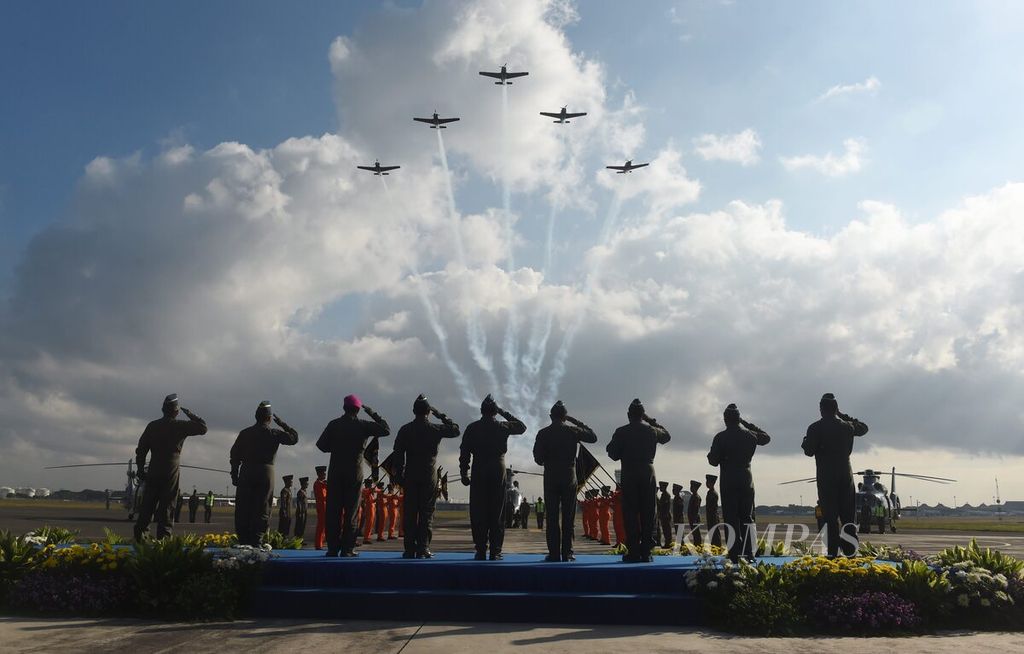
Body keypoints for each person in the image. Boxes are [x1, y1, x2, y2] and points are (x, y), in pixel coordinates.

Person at [316, 394, 390, 557]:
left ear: (344, 408)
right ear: (358, 410)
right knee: (352, 510)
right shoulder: (363, 425)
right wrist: (373, 413)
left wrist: (335, 448)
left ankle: (333, 548)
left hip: (336, 471)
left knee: (333, 510)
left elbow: (321, 445)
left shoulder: (334, 424)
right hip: (354, 472)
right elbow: (386, 429)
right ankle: (348, 549)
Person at [459, 394, 527, 560]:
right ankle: (495, 550)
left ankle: (481, 549)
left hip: (479, 469)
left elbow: (464, 453)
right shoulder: (502, 426)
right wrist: (503, 412)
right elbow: (521, 427)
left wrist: (463, 473)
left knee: (478, 511)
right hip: (498, 469)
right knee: (498, 512)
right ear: (495, 411)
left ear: (481, 411)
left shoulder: (472, 428)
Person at [802, 393, 869, 557]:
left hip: (826, 475)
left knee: (830, 517)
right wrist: (842, 415)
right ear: (836, 409)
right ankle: (850, 552)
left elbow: (808, 451)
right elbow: (863, 427)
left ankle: (832, 552)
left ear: (821, 409)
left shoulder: (815, 428)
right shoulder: (847, 426)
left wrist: (806, 440)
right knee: (848, 517)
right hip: (845, 474)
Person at [133, 394, 208, 541]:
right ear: (176, 411)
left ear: (162, 409)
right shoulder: (180, 425)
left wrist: (141, 469)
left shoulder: (152, 426)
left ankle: (141, 539)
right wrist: (190, 413)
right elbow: (203, 427)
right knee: (167, 507)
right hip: (171, 470)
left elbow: (141, 450)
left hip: (154, 468)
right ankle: (164, 541)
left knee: (147, 505)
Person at [393, 395, 460, 558]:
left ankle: (409, 549)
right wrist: (440, 415)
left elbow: (398, 454)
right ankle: (423, 548)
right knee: (426, 514)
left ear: (413, 411)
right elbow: (455, 430)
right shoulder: (434, 429)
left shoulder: (405, 429)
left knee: (410, 514)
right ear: (428, 412)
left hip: (410, 474)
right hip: (428, 475)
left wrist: (399, 475)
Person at [606, 398, 671, 563]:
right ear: (643, 414)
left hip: (629, 472)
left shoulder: (621, 431)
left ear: (628, 415)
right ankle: (647, 551)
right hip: (648, 472)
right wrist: (649, 420)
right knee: (649, 513)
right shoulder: (651, 430)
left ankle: (633, 550)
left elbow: (612, 454)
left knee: (630, 513)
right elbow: (667, 436)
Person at [532, 401, 598, 561]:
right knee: (568, 518)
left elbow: (538, 459)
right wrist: (574, 421)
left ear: (550, 416)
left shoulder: (543, 433)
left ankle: (554, 553)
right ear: (564, 417)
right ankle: (567, 553)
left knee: (552, 518)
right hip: (569, 477)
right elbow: (593, 437)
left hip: (551, 477)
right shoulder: (572, 431)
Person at [229, 401, 299, 546]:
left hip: (247, 472)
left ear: (256, 416)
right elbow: (294, 438)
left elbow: (234, 455)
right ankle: (257, 540)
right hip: (266, 473)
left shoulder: (245, 433)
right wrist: (282, 424)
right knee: (262, 507)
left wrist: (234, 475)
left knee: (243, 507)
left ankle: (243, 540)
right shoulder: (274, 433)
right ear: (269, 418)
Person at [707, 403, 771, 562]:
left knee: (731, 518)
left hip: (729, 479)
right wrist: (746, 424)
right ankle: (748, 553)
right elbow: (766, 437)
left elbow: (713, 461)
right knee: (747, 517)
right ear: (738, 419)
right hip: (746, 479)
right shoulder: (750, 435)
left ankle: (735, 553)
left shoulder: (720, 437)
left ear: (725, 420)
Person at [313, 466, 328, 549]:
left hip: (324, 507)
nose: (325, 475)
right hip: (321, 507)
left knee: (323, 526)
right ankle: (318, 544)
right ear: (319, 474)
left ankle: (321, 542)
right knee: (321, 526)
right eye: (323, 473)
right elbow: (323, 497)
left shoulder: (322, 484)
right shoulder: (318, 484)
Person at [705, 474, 721, 547]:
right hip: (710, 515)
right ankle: (713, 545)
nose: (707, 484)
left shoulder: (713, 493)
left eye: (708, 482)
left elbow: (713, 507)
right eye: (707, 482)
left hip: (713, 516)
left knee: (715, 532)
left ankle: (717, 546)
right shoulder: (709, 492)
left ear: (713, 483)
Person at [359, 478, 377, 545]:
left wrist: (376, 499)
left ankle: (368, 537)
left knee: (370, 524)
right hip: (368, 509)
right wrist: (371, 490)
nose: (370, 485)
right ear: (367, 484)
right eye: (369, 484)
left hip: (372, 509)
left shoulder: (370, 492)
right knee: (368, 524)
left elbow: (371, 501)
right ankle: (366, 538)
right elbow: (366, 492)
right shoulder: (365, 490)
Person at [686, 480, 703, 547]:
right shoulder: (693, 496)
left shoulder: (696, 497)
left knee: (696, 534)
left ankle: (698, 545)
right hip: (692, 518)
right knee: (694, 533)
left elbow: (695, 509)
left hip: (695, 518)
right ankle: (697, 545)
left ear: (696, 488)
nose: (691, 488)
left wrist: (694, 519)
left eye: (692, 487)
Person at [657, 481, 672, 548]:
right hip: (663, 515)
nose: (660, 488)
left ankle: (668, 543)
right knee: (665, 530)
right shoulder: (663, 495)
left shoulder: (666, 495)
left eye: (661, 486)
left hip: (665, 516)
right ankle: (667, 543)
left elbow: (664, 506)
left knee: (667, 530)